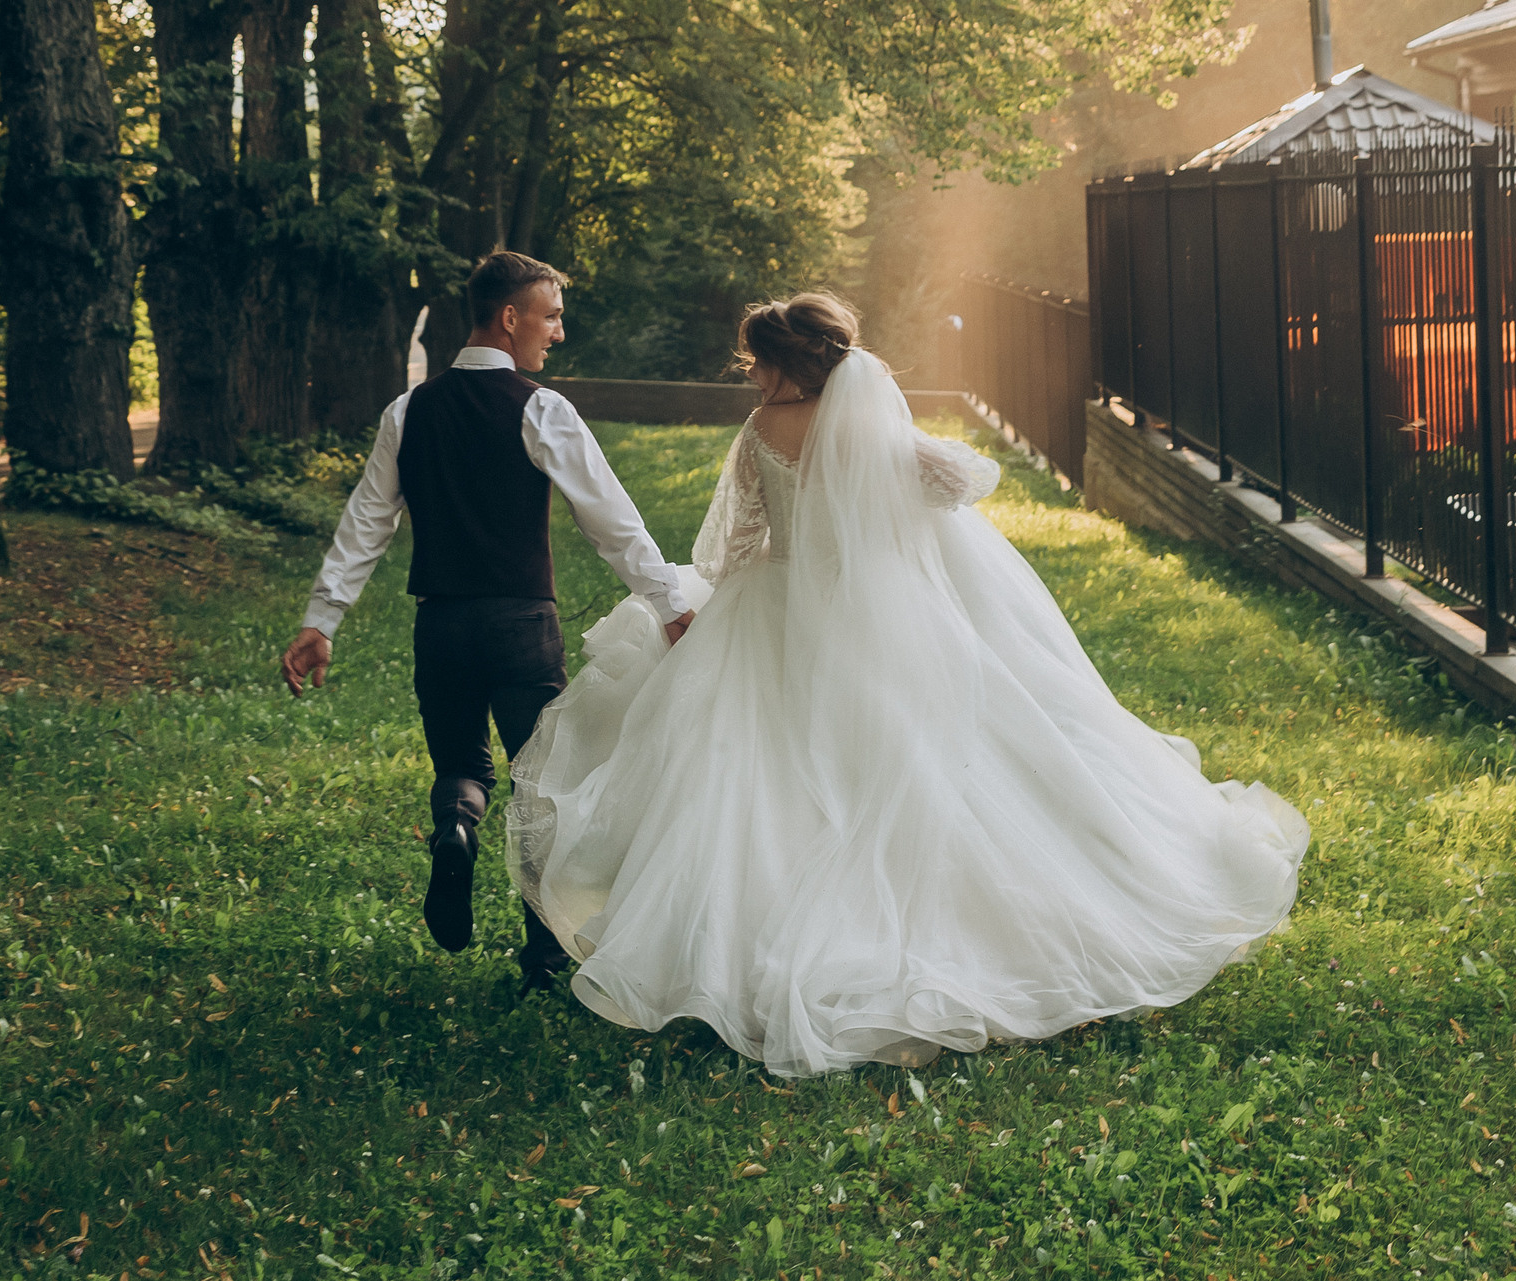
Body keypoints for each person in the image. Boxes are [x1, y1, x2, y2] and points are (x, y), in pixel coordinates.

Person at [510, 291, 1310, 1076]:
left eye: (756, 362)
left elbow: (731, 546)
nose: (749, 375)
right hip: (878, 617)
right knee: (913, 763)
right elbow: (969, 479)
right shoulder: (866, 422)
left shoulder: (761, 432)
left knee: (756, 774)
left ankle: (731, 951)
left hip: (774, 609)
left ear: (785, 366)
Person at [280, 250, 705, 986]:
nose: (558, 334)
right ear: (510, 317)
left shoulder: (408, 410)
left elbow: (365, 522)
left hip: (439, 626)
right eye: (551, 315)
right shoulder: (540, 407)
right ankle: (543, 952)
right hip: (520, 629)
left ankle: (456, 824)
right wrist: (670, 603)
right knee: (538, 783)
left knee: (461, 767)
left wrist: (323, 620)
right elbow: (611, 519)